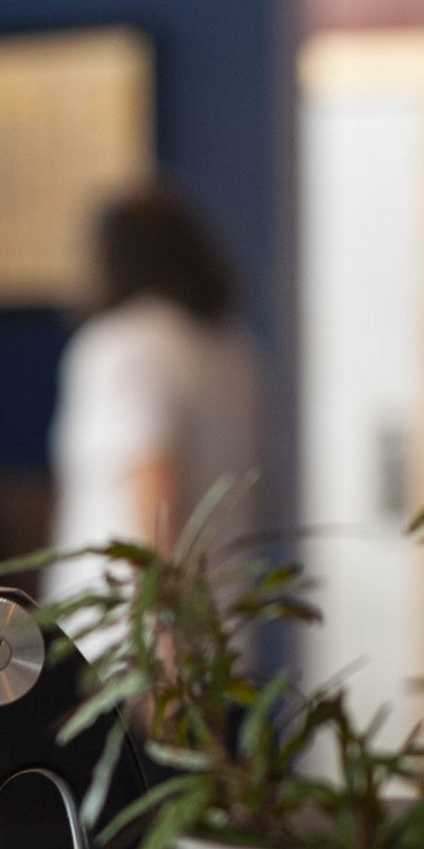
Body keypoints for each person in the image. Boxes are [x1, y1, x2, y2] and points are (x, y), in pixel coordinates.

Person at [46, 184, 264, 849]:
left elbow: (152, 499)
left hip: (131, 666)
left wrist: (159, 658)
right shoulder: (230, 353)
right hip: (226, 658)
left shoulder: (123, 347)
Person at [47, 182, 265, 610]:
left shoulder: (124, 347)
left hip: (127, 634)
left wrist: (164, 636)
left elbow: (155, 486)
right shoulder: (232, 350)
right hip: (221, 614)